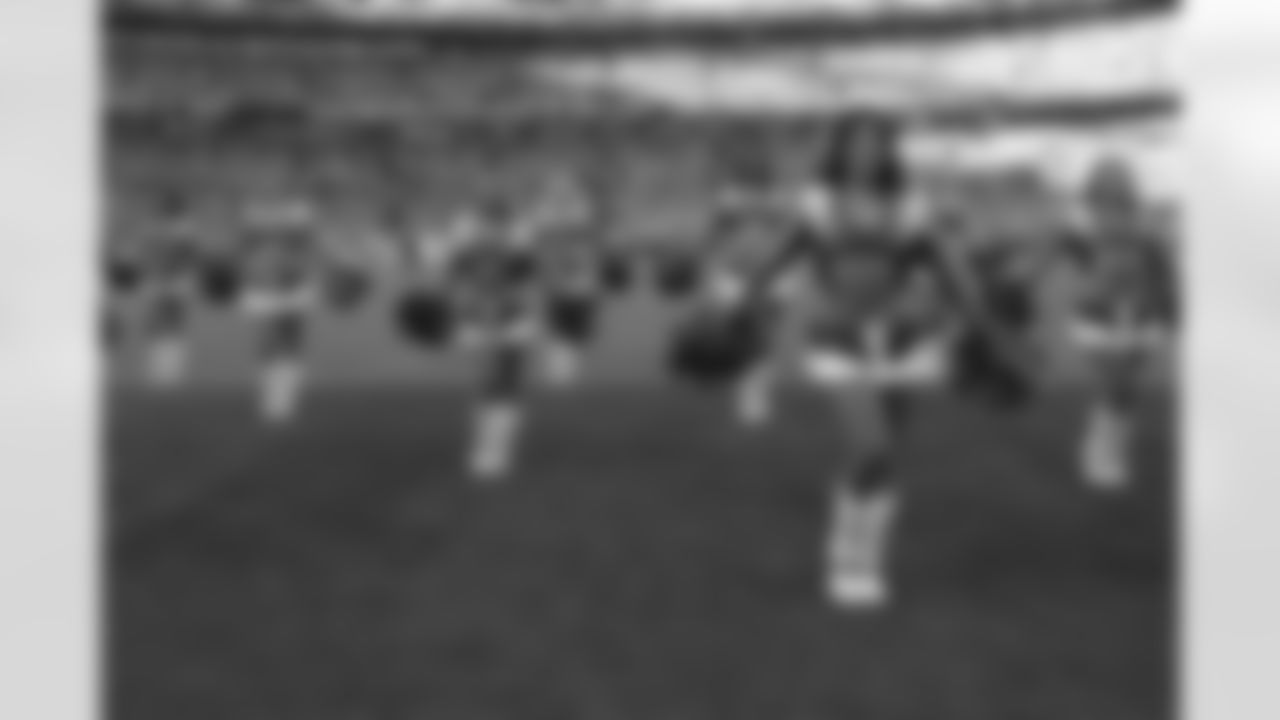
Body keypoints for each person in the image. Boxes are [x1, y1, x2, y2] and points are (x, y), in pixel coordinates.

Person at [740, 116, 1021, 609]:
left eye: (876, 145)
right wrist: (742, 302)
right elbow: (781, 255)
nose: (866, 153)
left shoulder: (911, 205)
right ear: (840, 150)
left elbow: (947, 263)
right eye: (856, 144)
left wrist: (983, 321)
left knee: (884, 458)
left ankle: (868, 557)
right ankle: (845, 555)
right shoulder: (817, 203)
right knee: (869, 447)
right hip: (838, 335)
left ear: (890, 153)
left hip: (904, 339)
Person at [1059, 159, 1178, 490]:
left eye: (1119, 196)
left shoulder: (1147, 236)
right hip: (1098, 322)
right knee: (1114, 388)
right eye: (1104, 196)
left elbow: (1162, 278)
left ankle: (1114, 451)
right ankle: (1098, 454)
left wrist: (1169, 315)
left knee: (1126, 392)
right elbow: (1075, 257)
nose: (1112, 204)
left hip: (1141, 322)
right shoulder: (1083, 232)